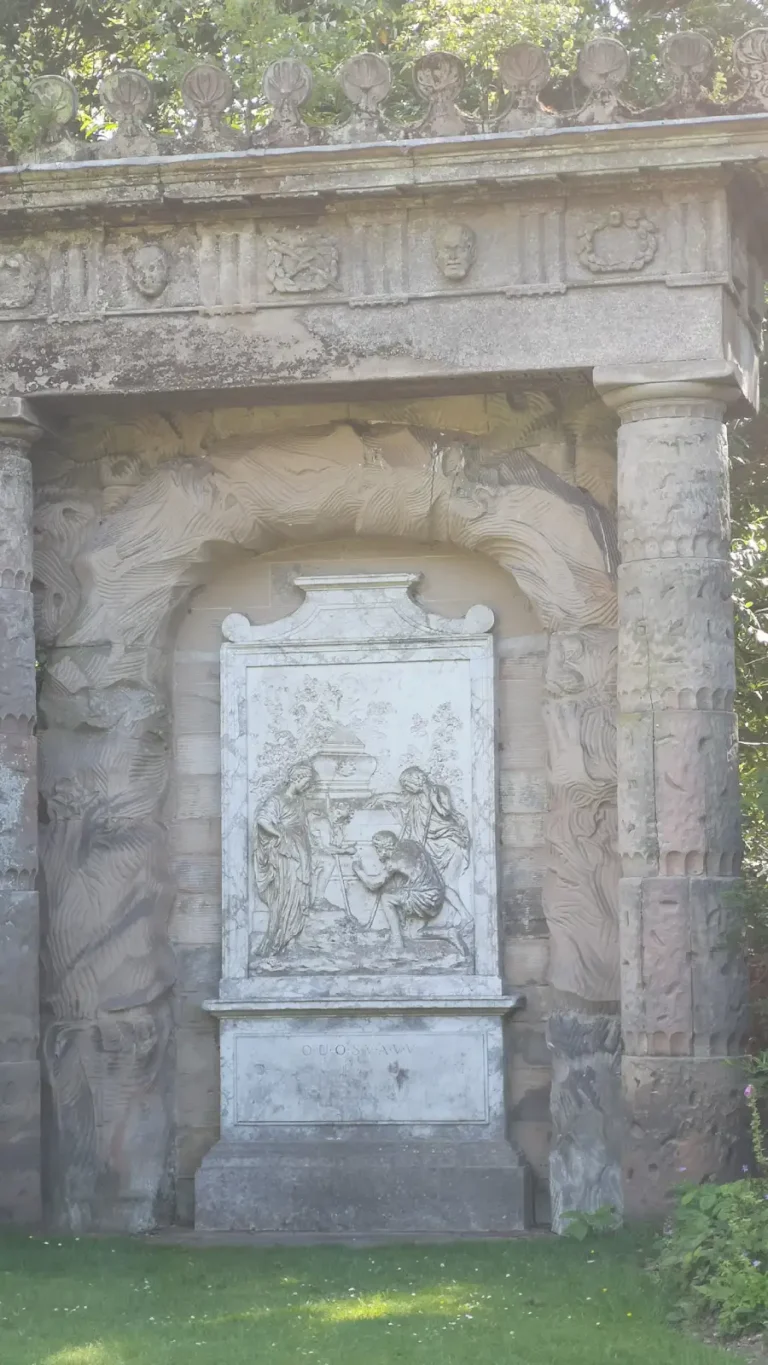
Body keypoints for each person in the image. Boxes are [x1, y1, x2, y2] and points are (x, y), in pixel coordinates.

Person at [253, 762, 315, 956]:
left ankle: (291, 940)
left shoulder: (298, 801)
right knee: (286, 895)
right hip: (285, 855)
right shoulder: (276, 800)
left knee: (299, 895)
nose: (307, 785)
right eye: (306, 781)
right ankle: (277, 940)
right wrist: (278, 835)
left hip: (300, 852)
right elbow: (263, 820)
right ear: (296, 778)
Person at [352, 830, 444, 954]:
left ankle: (397, 941)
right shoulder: (411, 844)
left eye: (377, 849)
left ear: (384, 849)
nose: (378, 854)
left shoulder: (393, 861)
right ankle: (449, 933)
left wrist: (358, 869)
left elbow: (373, 884)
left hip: (425, 898)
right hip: (437, 893)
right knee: (414, 934)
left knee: (386, 898)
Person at [398, 766, 470, 887]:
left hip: (444, 832)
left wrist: (434, 800)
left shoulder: (440, 790)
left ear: (417, 779)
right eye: (405, 786)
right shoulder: (414, 798)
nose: (407, 789)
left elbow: (445, 813)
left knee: (448, 880)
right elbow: (397, 799)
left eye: (408, 785)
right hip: (425, 838)